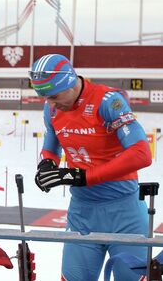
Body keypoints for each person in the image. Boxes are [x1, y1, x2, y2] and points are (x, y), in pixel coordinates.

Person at [30, 54, 152, 281]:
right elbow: (52, 140)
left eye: (54, 96)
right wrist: (47, 163)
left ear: (69, 82)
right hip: (82, 213)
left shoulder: (108, 101)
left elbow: (141, 154)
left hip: (125, 213)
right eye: (44, 97)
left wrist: (82, 176)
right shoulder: (54, 109)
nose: (50, 104)